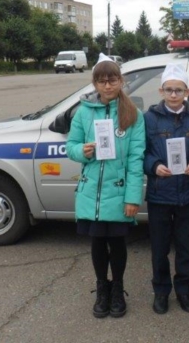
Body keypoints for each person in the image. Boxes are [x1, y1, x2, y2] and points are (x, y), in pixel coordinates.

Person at [65, 60, 146, 319]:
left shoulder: (133, 114)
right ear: (95, 83)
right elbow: (71, 146)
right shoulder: (84, 112)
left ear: (121, 81)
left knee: (117, 242)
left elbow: (136, 160)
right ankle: (102, 287)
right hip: (93, 193)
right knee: (98, 242)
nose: (107, 85)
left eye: (112, 80)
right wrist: (83, 151)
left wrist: (133, 197)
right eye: (102, 81)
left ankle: (118, 289)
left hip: (119, 192)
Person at [143, 63, 189, 315]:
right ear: (161, 91)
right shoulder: (149, 119)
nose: (173, 95)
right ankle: (161, 292)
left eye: (178, 90)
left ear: (187, 92)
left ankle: (184, 291)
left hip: (187, 195)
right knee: (159, 248)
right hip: (160, 194)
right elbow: (142, 152)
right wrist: (154, 165)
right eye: (169, 90)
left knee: (185, 246)